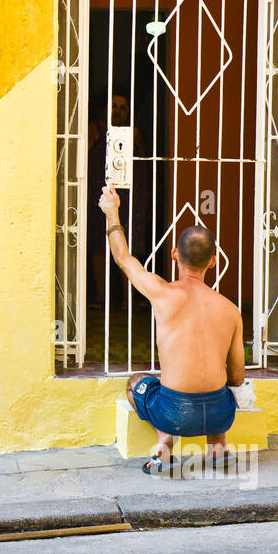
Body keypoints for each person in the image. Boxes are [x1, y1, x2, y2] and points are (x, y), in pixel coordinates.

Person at [98, 184, 245, 474]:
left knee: (137, 383)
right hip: (221, 414)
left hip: (173, 413)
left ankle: (164, 446)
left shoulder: (162, 293)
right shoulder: (231, 310)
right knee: (219, 385)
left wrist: (111, 211)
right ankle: (219, 448)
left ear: (175, 253)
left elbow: (124, 259)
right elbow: (238, 378)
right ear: (213, 262)